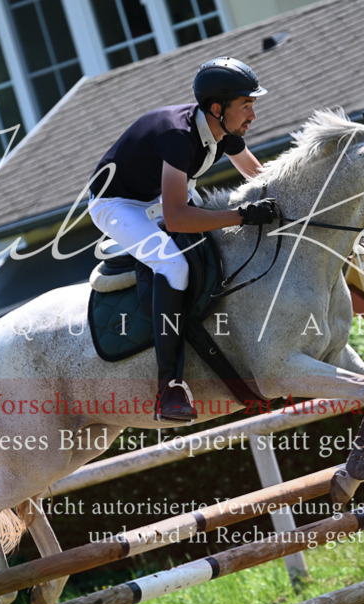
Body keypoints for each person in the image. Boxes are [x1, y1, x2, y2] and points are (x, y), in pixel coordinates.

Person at [88, 57, 280, 424]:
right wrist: (242, 215)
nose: (253, 115)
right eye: (247, 105)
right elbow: (176, 216)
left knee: (215, 249)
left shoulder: (225, 134)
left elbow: (261, 179)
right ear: (217, 108)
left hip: (157, 198)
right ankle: (170, 387)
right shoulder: (178, 137)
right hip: (118, 204)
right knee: (173, 264)